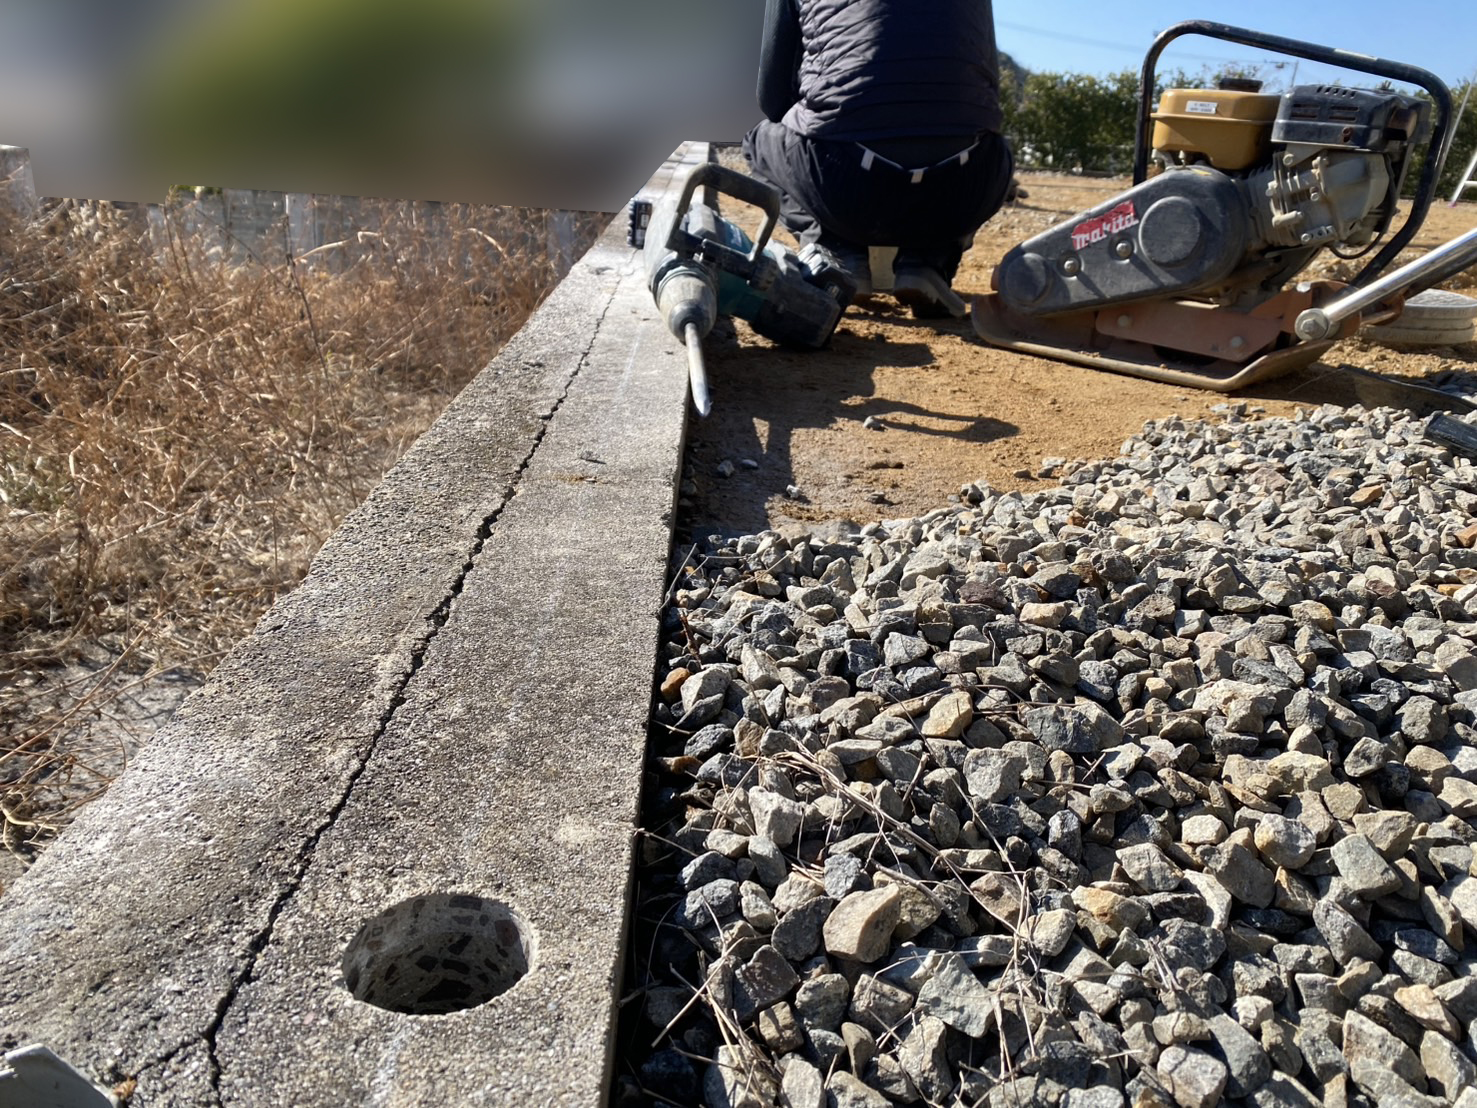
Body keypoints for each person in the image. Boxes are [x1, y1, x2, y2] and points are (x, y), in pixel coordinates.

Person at [743, 0, 1015, 319]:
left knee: (757, 140)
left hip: (841, 181)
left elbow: (771, 98)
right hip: (965, 186)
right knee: (992, 144)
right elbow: (986, 93)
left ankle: (835, 251)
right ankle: (928, 261)